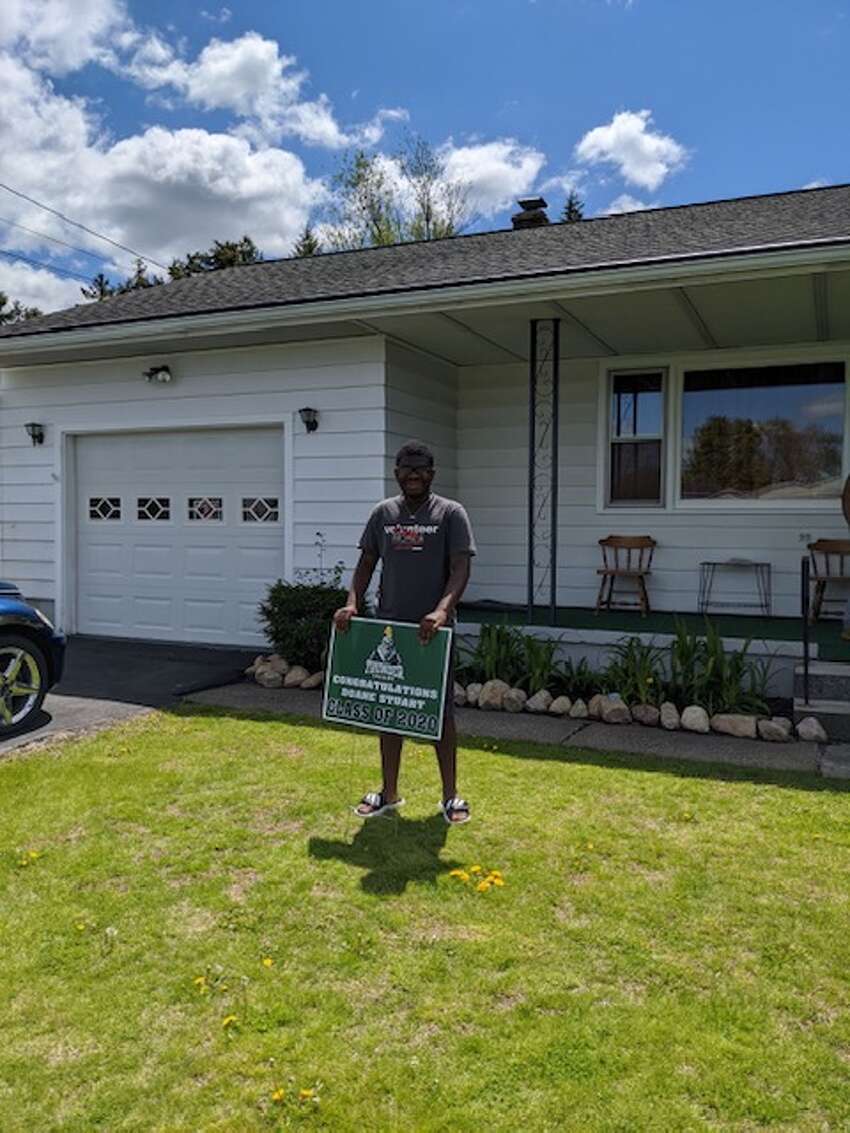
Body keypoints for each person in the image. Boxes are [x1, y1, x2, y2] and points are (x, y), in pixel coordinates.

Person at [333, 440, 476, 824]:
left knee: (439, 714)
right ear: (395, 473)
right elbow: (365, 563)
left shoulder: (450, 514)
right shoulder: (383, 514)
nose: (413, 475)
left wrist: (442, 610)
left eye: (421, 469)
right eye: (406, 469)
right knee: (389, 710)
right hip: (390, 627)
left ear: (432, 473)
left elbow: (460, 568)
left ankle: (450, 797)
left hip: (432, 632)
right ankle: (389, 792)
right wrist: (352, 603)